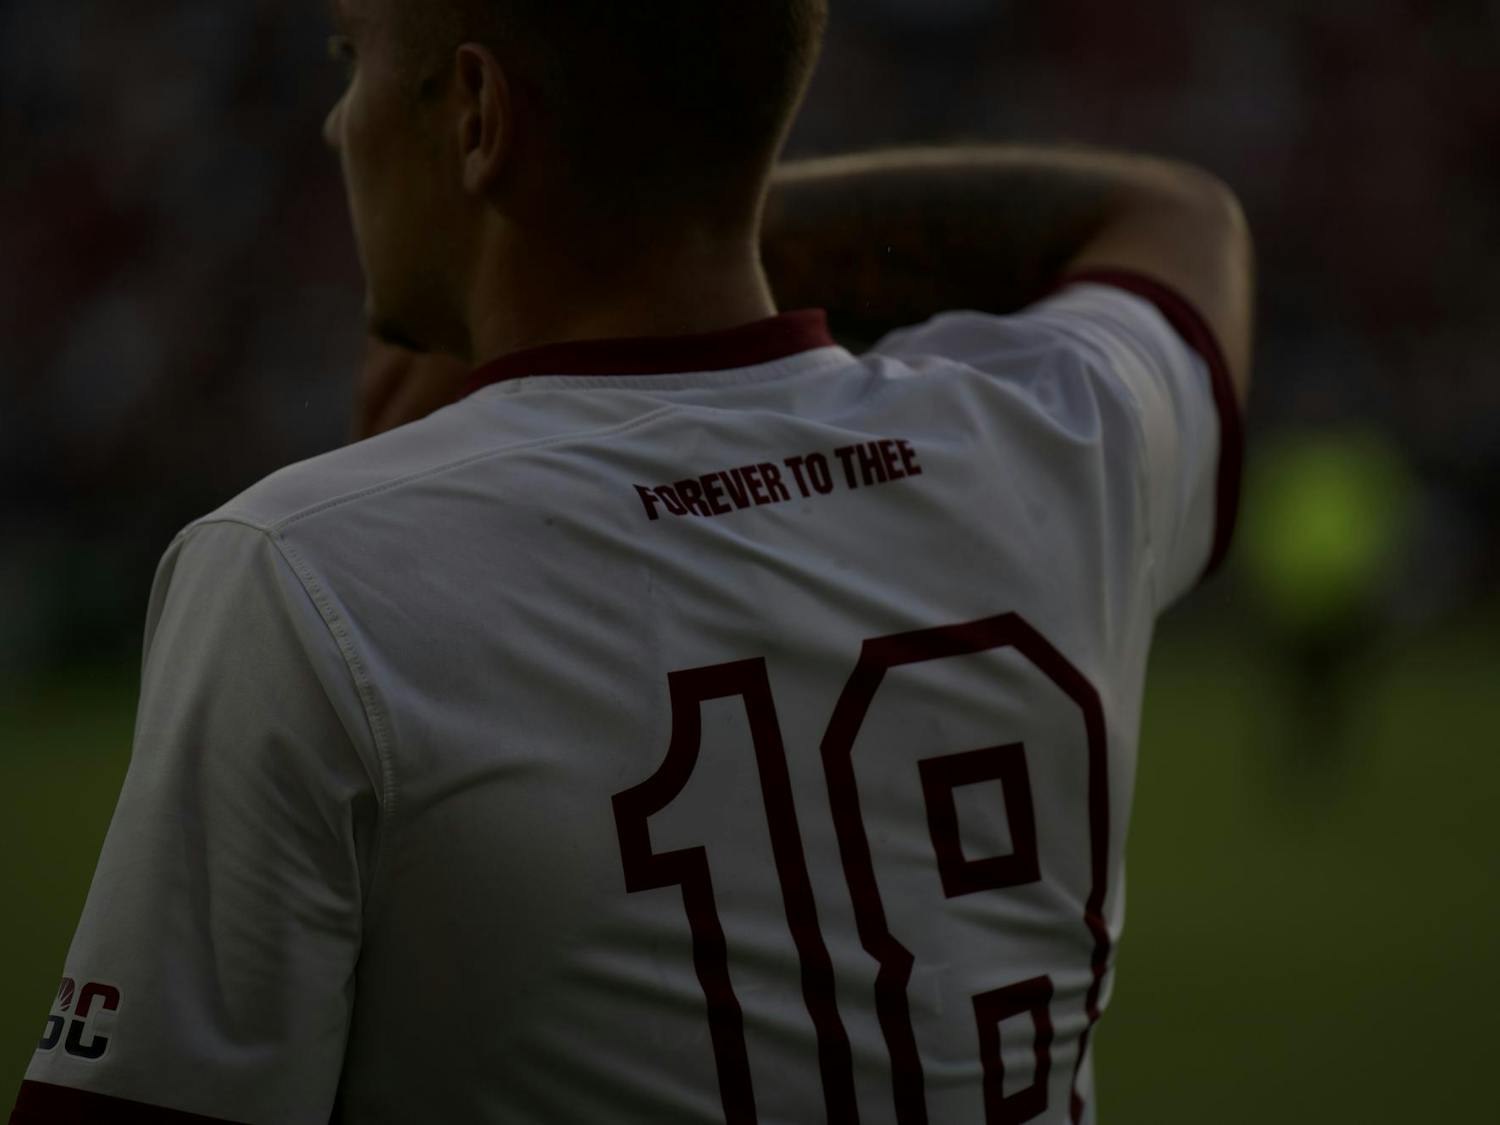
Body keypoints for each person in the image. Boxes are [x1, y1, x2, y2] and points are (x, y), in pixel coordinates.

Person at [10, 0, 1253, 1122]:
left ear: (483, 117)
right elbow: (1174, 215)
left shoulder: (306, 570)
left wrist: (663, 191)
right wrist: (696, 187)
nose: (339, 125)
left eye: (351, 60)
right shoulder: (1060, 437)